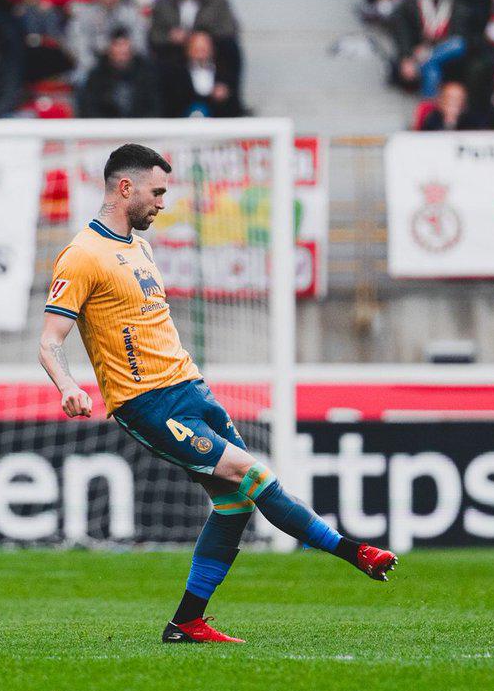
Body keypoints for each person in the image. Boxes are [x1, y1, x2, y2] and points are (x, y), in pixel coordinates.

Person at [38, 144, 398, 643]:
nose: (163, 203)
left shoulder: (138, 248)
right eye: (157, 192)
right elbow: (50, 341)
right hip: (147, 403)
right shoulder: (81, 255)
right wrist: (69, 385)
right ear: (126, 188)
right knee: (253, 474)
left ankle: (186, 622)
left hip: (190, 388)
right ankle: (353, 551)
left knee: (235, 503)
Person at [66, 0, 146, 83]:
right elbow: (79, 48)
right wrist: (99, 70)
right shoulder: (84, 13)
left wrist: (123, 58)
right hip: (94, 66)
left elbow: (140, 45)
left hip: (126, 66)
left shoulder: (130, 14)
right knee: (81, 77)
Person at [77, 28, 160, 118]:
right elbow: (89, 108)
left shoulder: (146, 73)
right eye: (117, 45)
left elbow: (155, 107)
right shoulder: (97, 76)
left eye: (124, 44)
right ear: (110, 48)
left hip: (140, 128)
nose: (121, 49)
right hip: (107, 129)